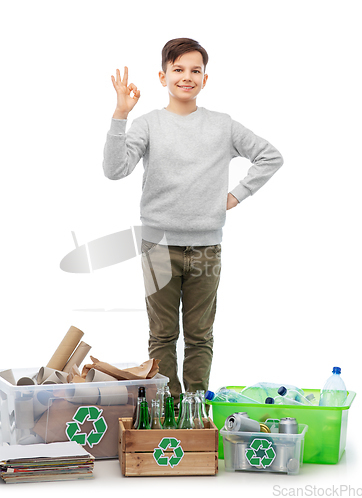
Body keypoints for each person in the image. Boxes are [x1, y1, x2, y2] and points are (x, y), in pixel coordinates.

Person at [102, 38, 283, 402]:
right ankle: (169, 408)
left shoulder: (222, 125)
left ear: (205, 78)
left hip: (206, 248)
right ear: (163, 75)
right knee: (163, 335)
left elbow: (270, 156)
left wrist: (236, 195)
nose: (187, 77)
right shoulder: (149, 124)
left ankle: (195, 409)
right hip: (157, 247)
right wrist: (120, 114)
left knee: (200, 335)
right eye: (178, 69)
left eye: (195, 70)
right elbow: (114, 169)